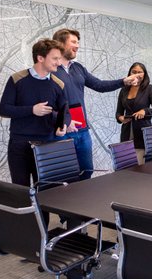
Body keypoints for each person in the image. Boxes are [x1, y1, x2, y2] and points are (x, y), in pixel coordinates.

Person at [52, 28, 138, 179]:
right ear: (60, 44)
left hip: (82, 129)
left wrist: (123, 81)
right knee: (64, 175)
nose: (77, 45)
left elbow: (99, 85)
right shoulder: (50, 70)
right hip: (62, 130)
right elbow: (45, 104)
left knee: (87, 171)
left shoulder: (78, 68)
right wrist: (63, 120)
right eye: (73, 42)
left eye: (78, 42)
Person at [0, 39, 68, 187]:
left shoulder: (59, 84)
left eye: (59, 58)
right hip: (20, 144)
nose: (59, 62)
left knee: (46, 191)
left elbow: (65, 112)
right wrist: (32, 110)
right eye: (55, 58)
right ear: (40, 58)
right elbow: (4, 110)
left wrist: (63, 125)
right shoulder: (17, 79)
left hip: (47, 143)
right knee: (21, 190)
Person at [116, 62, 152, 164]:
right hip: (126, 133)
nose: (137, 74)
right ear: (130, 73)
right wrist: (120, 118)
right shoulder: (123, 90)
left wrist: (145, 111)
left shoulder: (149, 89)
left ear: (144, 74)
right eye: (134, 72)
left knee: (140, 167)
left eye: (140, 72)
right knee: (126, 167)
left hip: (142, 133)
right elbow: (118, 112)